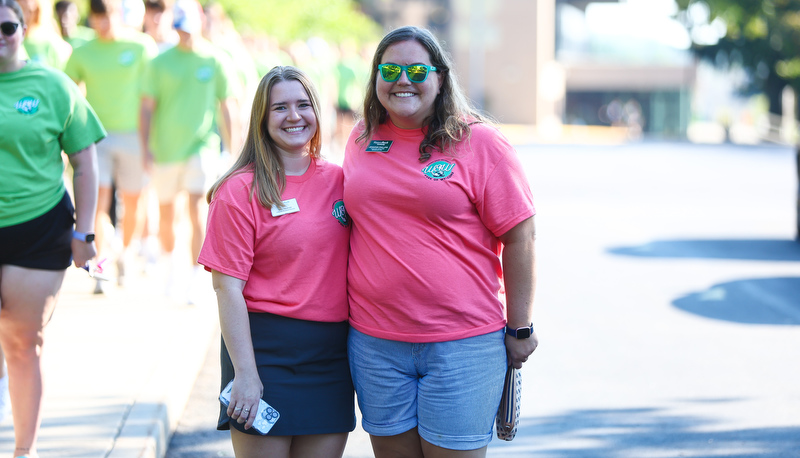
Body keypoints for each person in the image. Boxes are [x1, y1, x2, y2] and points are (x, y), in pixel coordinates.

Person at [343, 25, 539, 458]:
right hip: (376, 345)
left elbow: (521, 237)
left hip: (464, 345)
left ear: (441, 78)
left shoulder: (480, 142)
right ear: (376, 77)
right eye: (390, 69)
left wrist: (520, 325)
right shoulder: (360, 139)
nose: (403, 80)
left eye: (417, 69)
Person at [198, 65, 355, 458]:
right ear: (262, 119)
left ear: (318, 112)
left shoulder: (343, 180)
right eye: (279, 108)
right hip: (263, 353)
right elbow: (226, 288)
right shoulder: (239, 191)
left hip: (331, 356)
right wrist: (246, 375)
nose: (294, 116)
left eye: (303, 105)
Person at [0, 1, 105, 456]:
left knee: (23, 344)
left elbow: (84, 161)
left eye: (6, 25)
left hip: (38, 228)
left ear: (23, 29)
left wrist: (85, 235)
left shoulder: (52, 85)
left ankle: (24, 451)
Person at [139, 0, 239, 303]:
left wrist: (231, 152)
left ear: (200, 23)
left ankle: (196, 277)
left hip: (202, 147)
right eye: (179, 29)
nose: (185, 35)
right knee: (167, 214)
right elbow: (146, 108)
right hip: (166, 150)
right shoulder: (159, 62)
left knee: (197, 211)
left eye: (189, 27)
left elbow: (227, 106)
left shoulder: (215, 60)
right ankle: (171, 271)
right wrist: (145, 148)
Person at [65, 0, 158, 292]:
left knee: (133, 202)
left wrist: (152, 139)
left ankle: (126, 255)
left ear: (120, 14)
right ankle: (102, 266)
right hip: (97, 138)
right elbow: (69, 92)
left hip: (134, 136)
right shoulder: (82, 52)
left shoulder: (142, 46)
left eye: (108, 17)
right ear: (91, 20)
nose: (104, 24)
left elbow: (153, 96)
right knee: (98, 204)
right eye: (97, 18)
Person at [17, 0, 71, 68]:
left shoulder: (51, 42)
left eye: (30, 11)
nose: (25, 16)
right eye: (20, 10)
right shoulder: (9, 39)